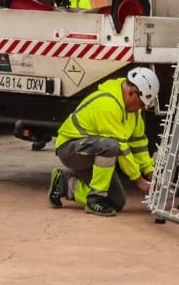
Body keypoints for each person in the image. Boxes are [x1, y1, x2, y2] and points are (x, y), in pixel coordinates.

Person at [49, 66, 159, 215]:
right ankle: (95, 200)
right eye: (142, 104)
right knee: (110, 145)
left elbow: (139, 144)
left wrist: (151, 173)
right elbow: (121, 149)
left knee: (116, 202)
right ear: (131, 93)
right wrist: (139, 181)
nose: (142, 108)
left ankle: (63, 184)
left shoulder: (134, 111)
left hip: (92, 151)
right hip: (70, 150)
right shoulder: (108, 105)